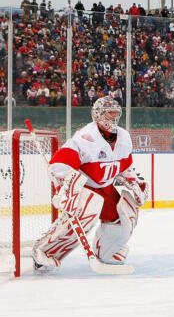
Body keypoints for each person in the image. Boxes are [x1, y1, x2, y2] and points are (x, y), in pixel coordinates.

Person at [32, 97, 147, 271]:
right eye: (110, 113)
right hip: (87, 187)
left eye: (117, 113)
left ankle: (107, 252)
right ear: (98, 115)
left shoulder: (123, 137)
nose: (114, 118)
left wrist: (134, 183)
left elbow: (125, 165)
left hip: (107, 188)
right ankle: (45, 253)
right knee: (85, 214)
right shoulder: (86, 137)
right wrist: (63, 189)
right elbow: (60, 163)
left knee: (126, 214)